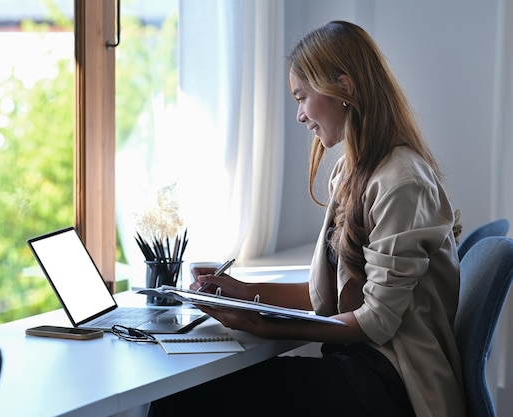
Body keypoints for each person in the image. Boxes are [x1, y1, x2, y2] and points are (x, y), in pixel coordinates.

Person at [148, 20, 465, 417]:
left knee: (184, 401)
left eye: (302, 97)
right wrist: (242, 290)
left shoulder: (401, 181)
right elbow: (327, 295)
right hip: (361, 364)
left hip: (395, 380)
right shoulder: (353, 170)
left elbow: (377, 321)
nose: (299, 115)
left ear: (345, 87)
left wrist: (265, 326)